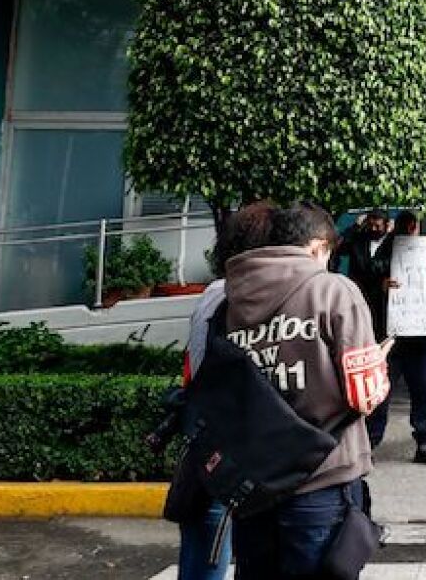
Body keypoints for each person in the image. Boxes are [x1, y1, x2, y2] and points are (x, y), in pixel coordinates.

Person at [225, 202, 388, 579]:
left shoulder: (228, 299)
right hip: (321, 479)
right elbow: (364, 396)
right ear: (317, 248)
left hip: (254, 484)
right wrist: (376, 364)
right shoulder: (333, 290)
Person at [175, 201, 276, 580]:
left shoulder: (213, 293)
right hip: (240, 446)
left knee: (203, 549)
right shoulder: (243, 297)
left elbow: (194, 365)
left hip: (206, 440)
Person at [367, 211, 426, 468]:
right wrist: (381, 283)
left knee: (424, 392)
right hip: (392, 339)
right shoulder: (385, 250)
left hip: (421, 338)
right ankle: (369, 444)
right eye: (405, 226)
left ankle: (423, 442)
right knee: (381, 395)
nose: (410, 229)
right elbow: (369, 272)